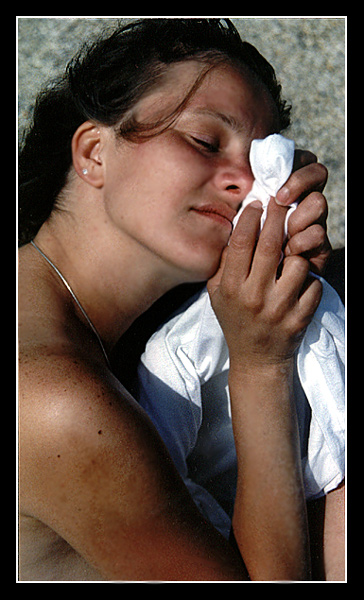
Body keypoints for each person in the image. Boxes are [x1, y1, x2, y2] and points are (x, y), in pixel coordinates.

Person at [18, 18, 335, 581]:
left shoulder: (93, 323)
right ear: (94, 151)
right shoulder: (55, 400)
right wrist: (264, 364)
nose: (246, 183)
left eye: (269, 165)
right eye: (205, 141)